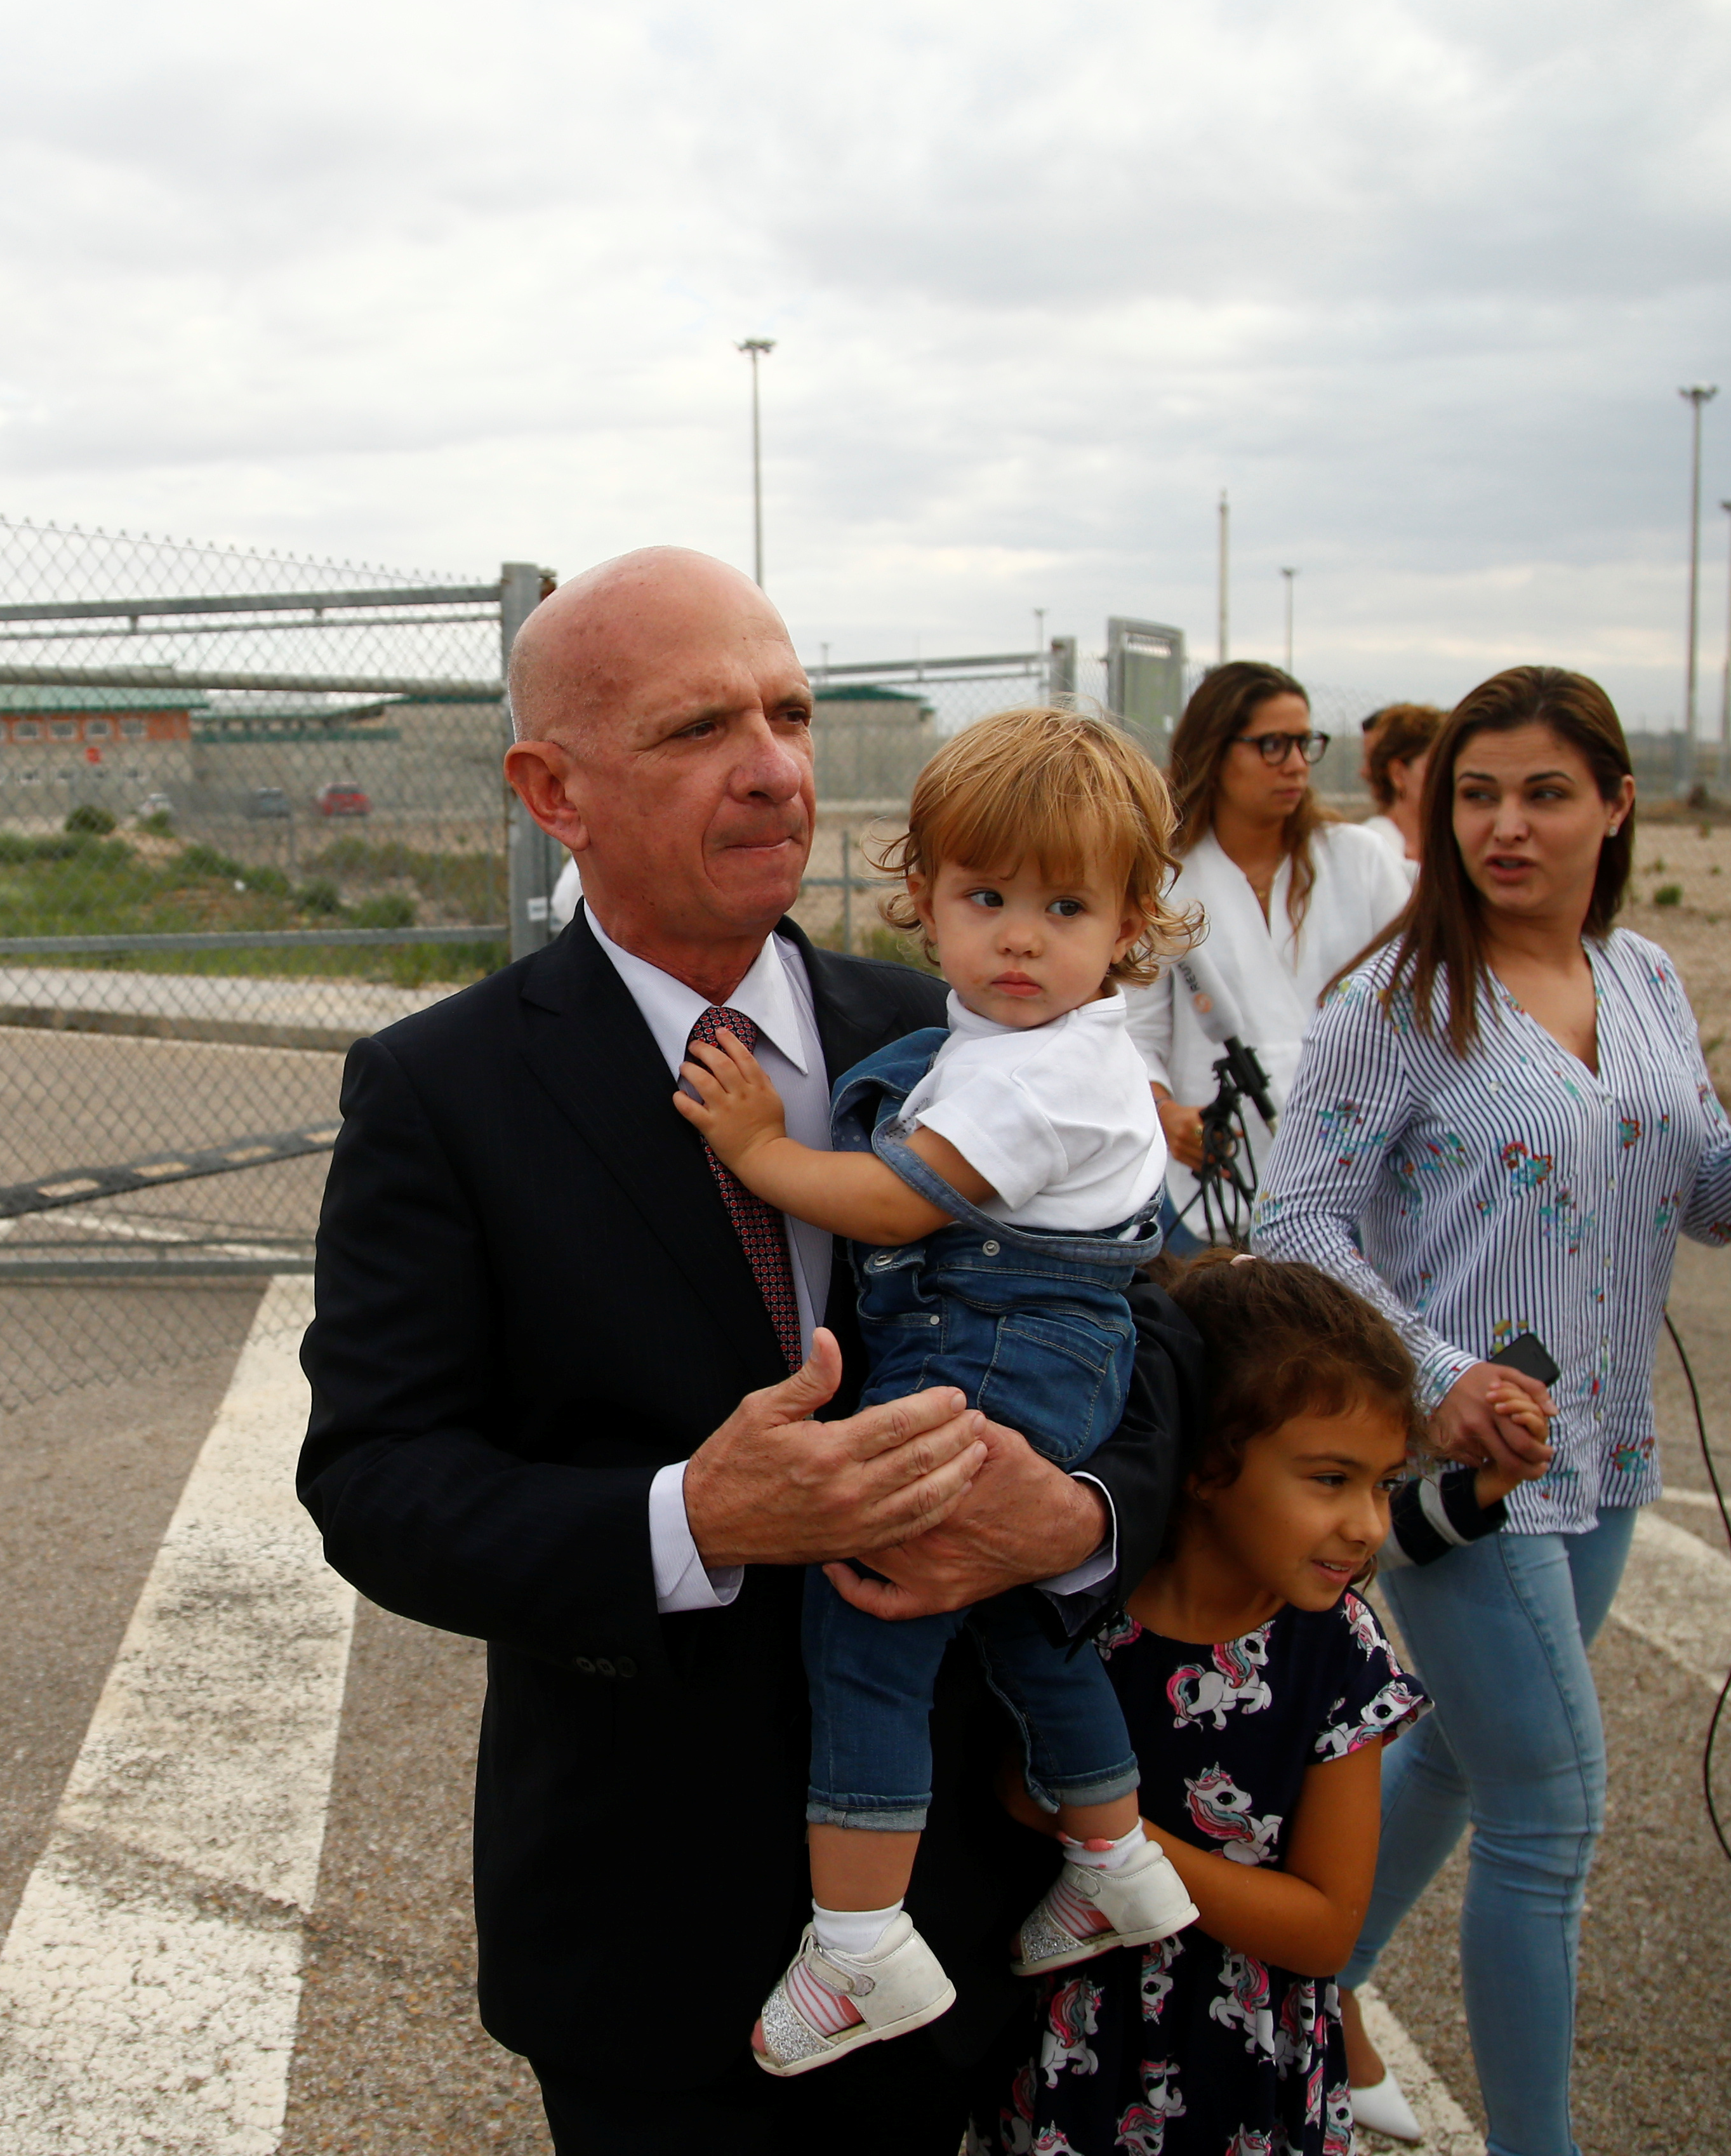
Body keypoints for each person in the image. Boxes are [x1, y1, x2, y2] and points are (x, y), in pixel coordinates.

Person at [296, 546, 1200, 2153]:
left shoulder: (968, 1029)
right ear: (549, 787)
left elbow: (1165, 1321)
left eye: (787, 710)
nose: (777, 765)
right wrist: (691, 1518)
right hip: (657, 1932)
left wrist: (1074, 1517)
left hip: (972, 1897)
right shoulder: (442, 1094)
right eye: (700, 725)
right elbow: (376, 1479)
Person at [1252, 664, 1731, 2156]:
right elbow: (1294, 1223)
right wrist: (1437, 1374)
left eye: (1541, 792)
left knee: (1468, 1756)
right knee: (1550, 1806)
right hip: (1457, 1470)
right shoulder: (1394, 1000)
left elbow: (1710, 1203)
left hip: (1601, 1451)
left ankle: (1269, 2010)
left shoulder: (1645, 977)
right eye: (1474, 793)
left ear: (1614, 804)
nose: (1503, 825)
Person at [668, 709, 1202, 2075]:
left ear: (1134, 922)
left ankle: (862, 1948)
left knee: (871, 1633)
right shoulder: (1013, 1044)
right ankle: (1115, 1853)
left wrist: (758, 1145)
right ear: (927, 898)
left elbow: (894, 1208)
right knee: (1020, 1624)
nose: (1020, 938)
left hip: (997, 1356)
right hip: (1035, 1358)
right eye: (987, 898)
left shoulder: (1041, 1073)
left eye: (1066, 906)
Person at [973, 1253, 1546, 2156]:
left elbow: (1325, 1930)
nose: (1366, 1522)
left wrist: (1103, 1832)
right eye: (1330, 1479)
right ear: (1203, 1462)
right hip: (1060, 2067)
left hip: (1240, 2083)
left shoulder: (1338, 1654)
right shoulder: (1076, 1616)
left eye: (1383, 1483)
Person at [1124, 663, 1410, 1245]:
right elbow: (1137, 1033)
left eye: (1305, 744)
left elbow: (1417, 1006)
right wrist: (1167, 1113)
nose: (1297, 764)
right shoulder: (1166, 879)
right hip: (1220, 1185)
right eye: (1272, 746)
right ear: (1214, 750)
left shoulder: (1362, 861)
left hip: (1356, 1176)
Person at [1351, 702, 1445, 868]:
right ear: (1398, 775)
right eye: (1434, 767)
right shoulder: (1369, 853)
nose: (1446, 777)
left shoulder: (1452, 849)